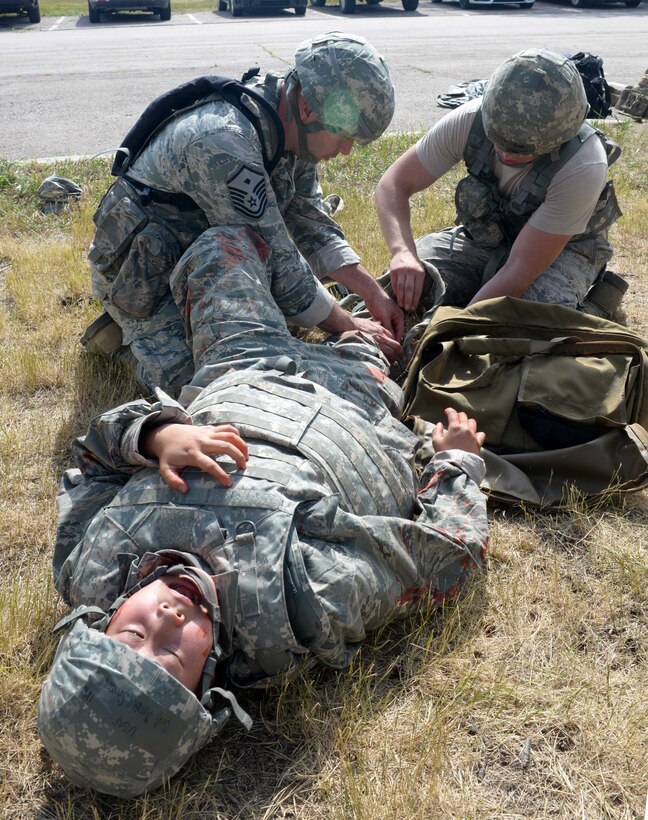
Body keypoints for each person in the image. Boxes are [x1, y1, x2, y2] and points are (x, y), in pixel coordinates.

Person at [39, 224, 489, 798]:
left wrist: (155, 435)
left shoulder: (89, 565)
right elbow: (442, 559)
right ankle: (378, 313)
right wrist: (456, 465)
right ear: (207, 688)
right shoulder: (295, 604)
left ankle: (319, 300)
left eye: (132, 634)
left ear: (100, 621)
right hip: (354, 396)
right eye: (174, 659)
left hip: (241, 369)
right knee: (423, 312)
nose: (168, 622)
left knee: (222, 241)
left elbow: (91, 460)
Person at [84, 31, 404, 394]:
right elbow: (283, 266)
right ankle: (130, 338)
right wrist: (348, 324)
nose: (346, 150)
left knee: (263, 334)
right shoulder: (225, 141)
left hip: (209, 258)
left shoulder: (292, 129)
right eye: (345, 134)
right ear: (309, 109)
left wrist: (373, 294)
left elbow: (312, 222)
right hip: (147, 280)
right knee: (222, 383)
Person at [374, 47, 623, 317]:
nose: (505, 155)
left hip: (563, 250)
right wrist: (403, 253)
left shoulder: (583, 163)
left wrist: (457, 327)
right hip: (490, 238)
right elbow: (393, 184)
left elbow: (519, 269)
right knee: (409, 281)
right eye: (498, 141)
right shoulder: (472, 119)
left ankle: (597, 307)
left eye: (522, 151)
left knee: (527, 316)